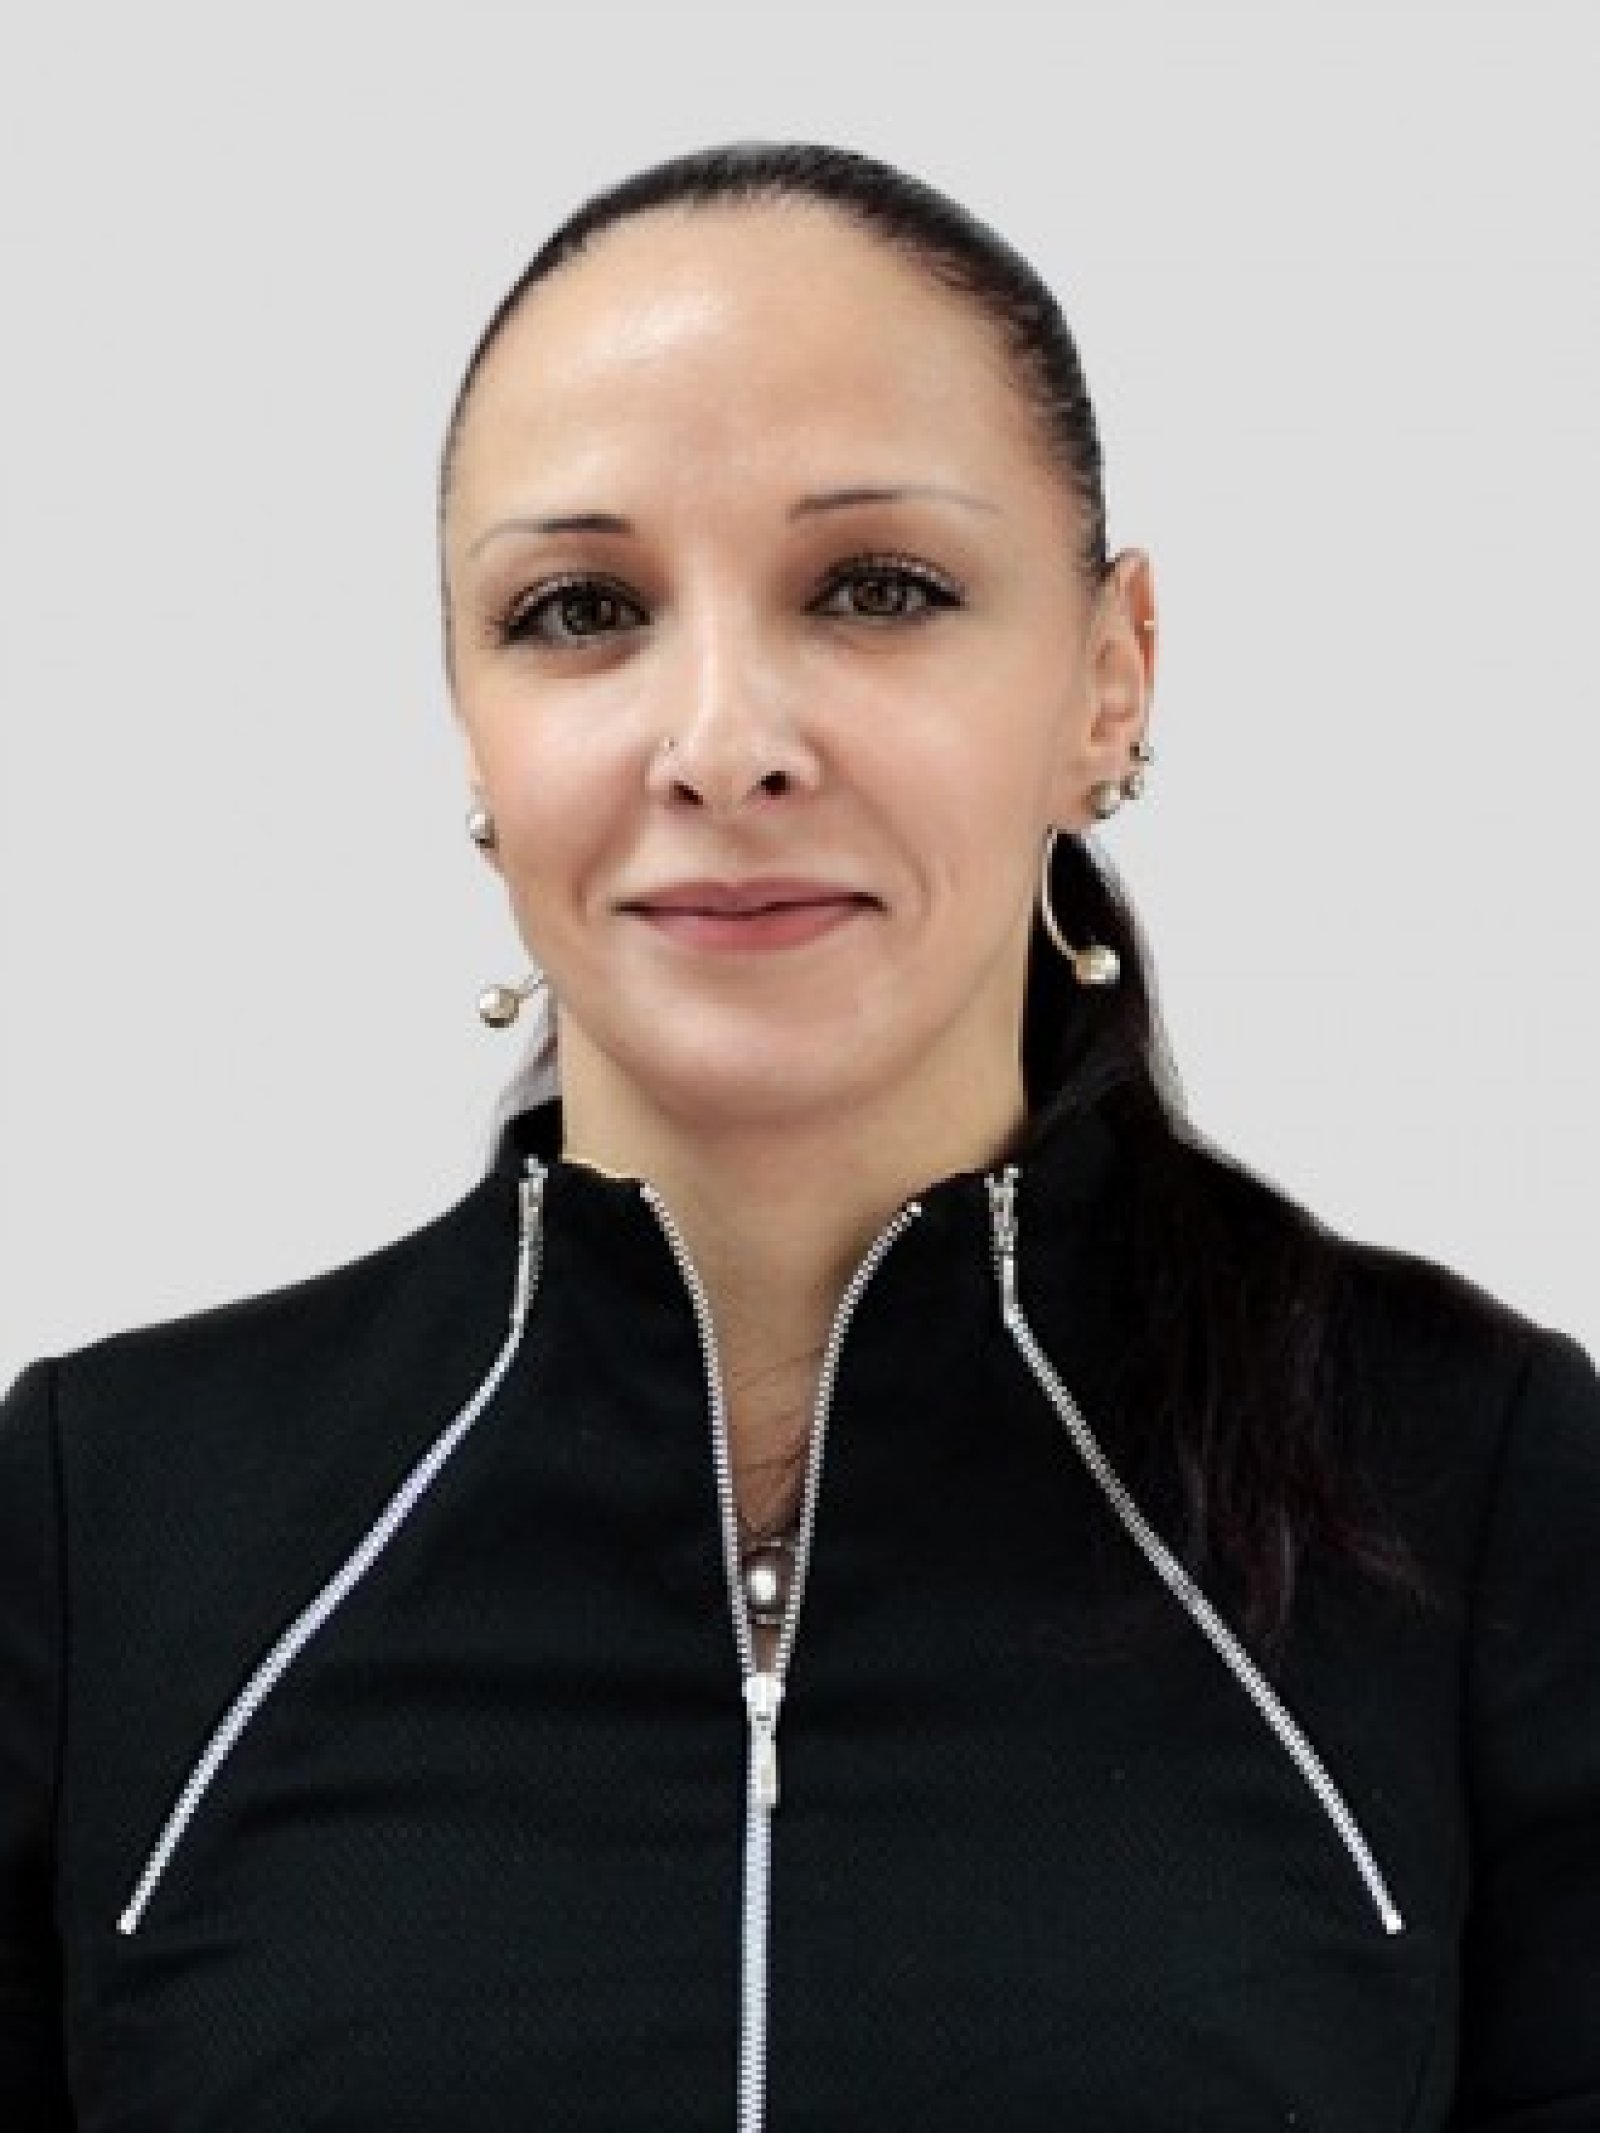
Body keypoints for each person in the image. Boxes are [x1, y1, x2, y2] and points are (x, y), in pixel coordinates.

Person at [2, 140, 1596, 2132]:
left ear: (1109, 680)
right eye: (580, 608)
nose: (724, 741)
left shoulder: (1471, 1490)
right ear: (470, 724)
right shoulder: (105, 1526)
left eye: (877, 589)